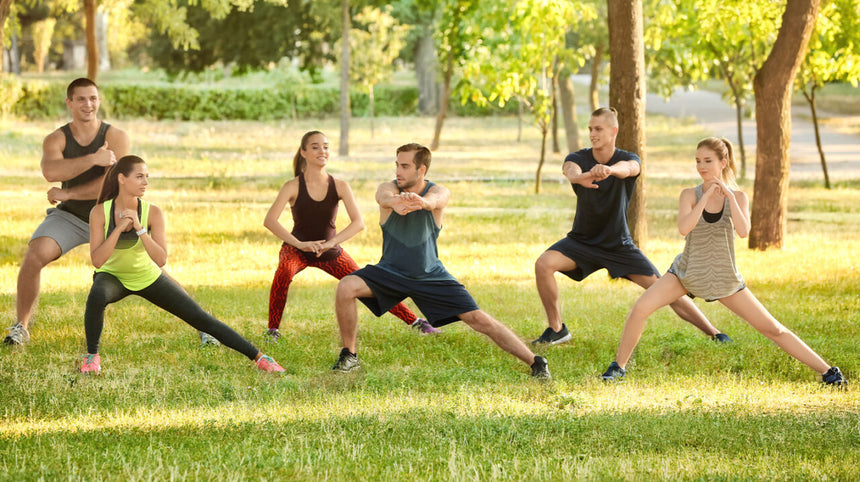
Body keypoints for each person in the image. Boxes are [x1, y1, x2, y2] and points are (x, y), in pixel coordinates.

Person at [600, 137, 846, 386]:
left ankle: (828, 372)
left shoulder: (738, 197)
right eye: (698, 161)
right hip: (687, 272)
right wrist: (705, 198)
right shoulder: (689, 195)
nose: (701, 166)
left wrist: (728, 195)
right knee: (640, 308)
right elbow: (684, 228)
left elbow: (743, 231)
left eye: (708, 161)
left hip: (724, 277)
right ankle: (618, 367)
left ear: (723, 162)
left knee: (773, 328)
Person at [332, 143, 550, 379]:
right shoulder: (389, 189)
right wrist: (395, 202)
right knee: (346, 287)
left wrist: (421, 202)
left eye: (405, 166)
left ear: (421, 170)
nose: (398, 171)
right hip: (390, 272)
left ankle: (535, 362)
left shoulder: (438, 191)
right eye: (397, 165)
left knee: (477, 319)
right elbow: (383, 197)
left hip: (430, 275)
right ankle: (349, 356)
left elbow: (437, 199)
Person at [532, 107, 730, 345]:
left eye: (598, 129)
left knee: (663, 289)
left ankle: (715, 333)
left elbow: (631, 168)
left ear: (613, 131)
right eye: (590, 129)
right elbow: (570, 169)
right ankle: (557, 329)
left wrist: (609, 170)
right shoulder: (579, 158)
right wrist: (578, 177)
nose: (592, 134)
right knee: (543, 264)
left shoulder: (627, 159)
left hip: (618, 246)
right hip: (580, 242)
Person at [80, 155, 285, 374]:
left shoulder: (153, 212)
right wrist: (119, 228)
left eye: (147, 177)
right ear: (121, 178)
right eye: (139, 177)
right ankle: (92, 357)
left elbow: (160, 259)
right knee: (97, 295)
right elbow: (98, 260)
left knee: (200, 317)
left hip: (147, 277)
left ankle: (260, 358)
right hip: (112, 276)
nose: (145, 183)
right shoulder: (100, 211)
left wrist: (140, 228)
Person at [263, 131, 439, 342]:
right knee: (283, 271)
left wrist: (331, 243)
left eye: (326, 146)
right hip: (297, 249)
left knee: (368, 283)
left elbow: (358, 223)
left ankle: (416, 322)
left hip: (330, 251)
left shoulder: (340, 186)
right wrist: (300, 244)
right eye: (315, 147)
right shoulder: (292, 186)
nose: (323, 151)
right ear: (303, 153)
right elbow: (270, 220)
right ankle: (272, 331)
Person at [6, 78, 130, 346]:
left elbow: (112, 184)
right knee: (34, 255)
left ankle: (205, 327)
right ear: (69, 103)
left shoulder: (116, 137)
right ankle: (21, 327)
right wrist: (94, 159)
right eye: (82, 99)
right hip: (71, 217)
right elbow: (52, 172)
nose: (89, 104)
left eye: (93, 98)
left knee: (152, 270)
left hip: (110, 217)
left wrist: (69, 192)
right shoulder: (56, 138)